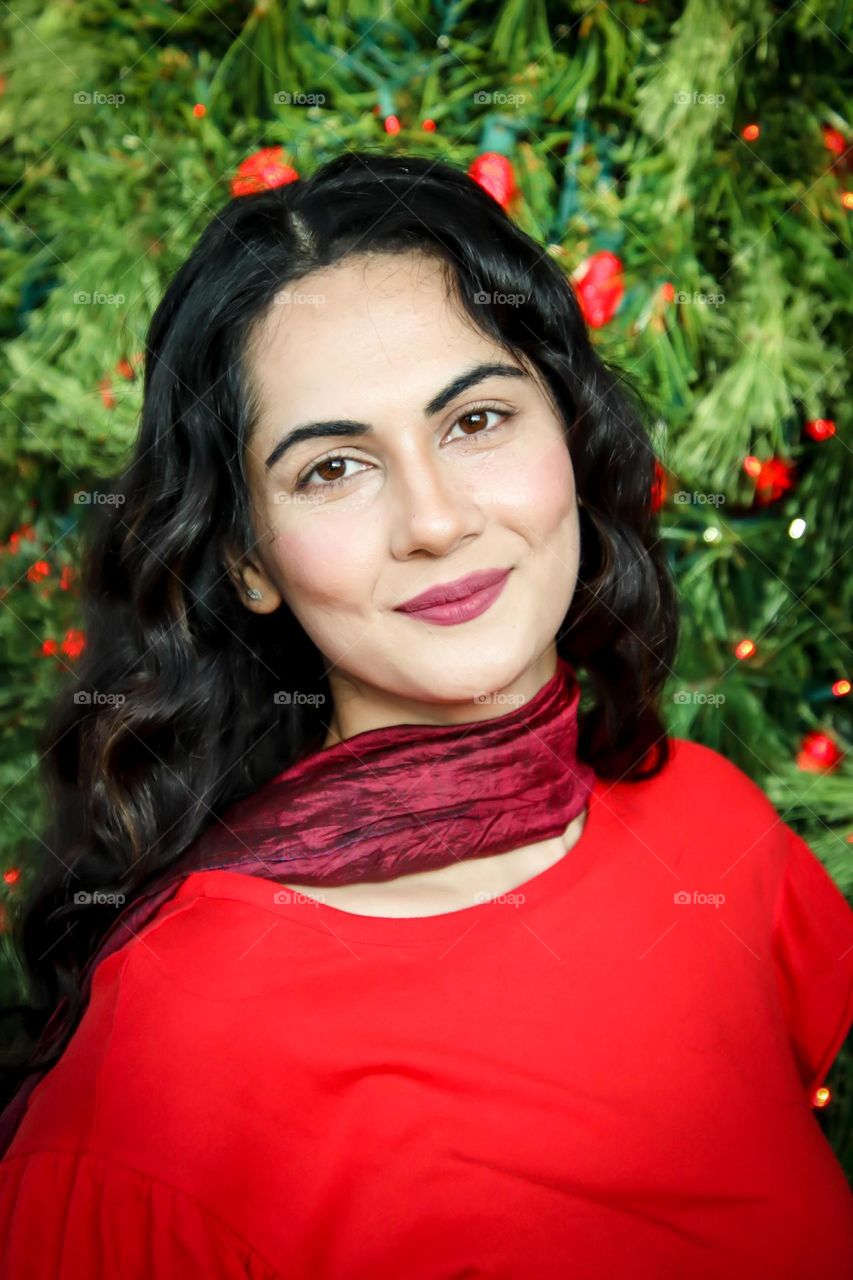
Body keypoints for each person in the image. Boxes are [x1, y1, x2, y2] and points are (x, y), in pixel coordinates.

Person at [0, 151, 850, 1278]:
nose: (436, 521)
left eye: (477, 418)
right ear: (249, 558)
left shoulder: (714, 827)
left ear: (569, 435)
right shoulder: (175, 1044)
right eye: (334, 468)